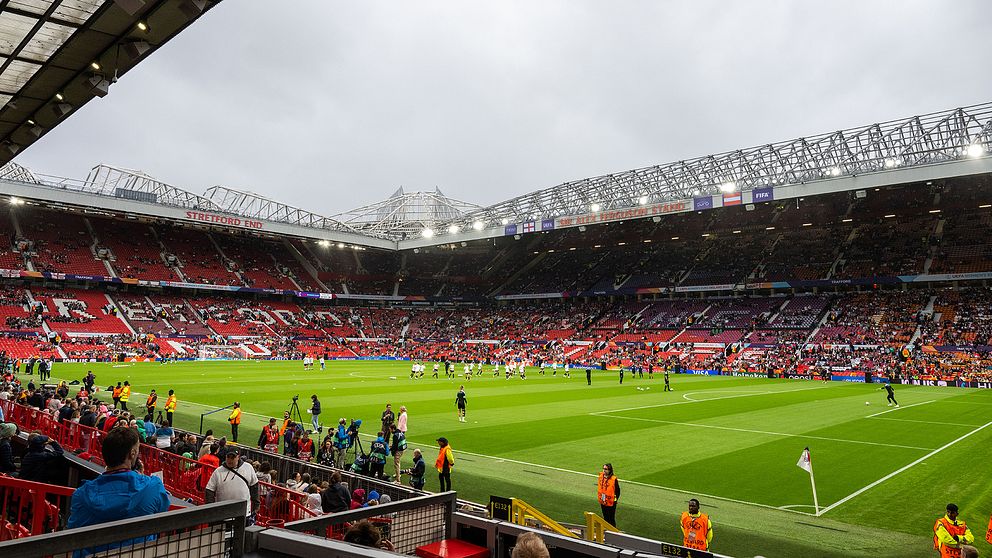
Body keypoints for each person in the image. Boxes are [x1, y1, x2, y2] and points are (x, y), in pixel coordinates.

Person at [66, 427, 170, 553]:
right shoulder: (152, 486)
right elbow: (162, 509)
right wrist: (141, 478)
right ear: (132, 453)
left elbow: (73, 530)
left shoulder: (81, 494)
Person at [205, 446, 260, 524]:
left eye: (232, 457)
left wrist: (256, 505)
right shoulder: (218, 471)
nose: (230, 460)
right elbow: (209, 490)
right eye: (228, 457)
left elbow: (254, 487)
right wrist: (211, 510)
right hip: (223, 515)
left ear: (238, 457)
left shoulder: (248, 467)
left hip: (243, 514)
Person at [597, 463, 620, 527]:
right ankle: (606, 531)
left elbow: (618, 491)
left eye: (606, 469)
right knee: (605, 517)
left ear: (610, 470)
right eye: (603, 469)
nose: (604, 470)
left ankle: (613, 532)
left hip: (611, 502)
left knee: (611, 518)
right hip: (603, 500)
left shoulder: (613, 479)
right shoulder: (601, 476)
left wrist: (615, 500)